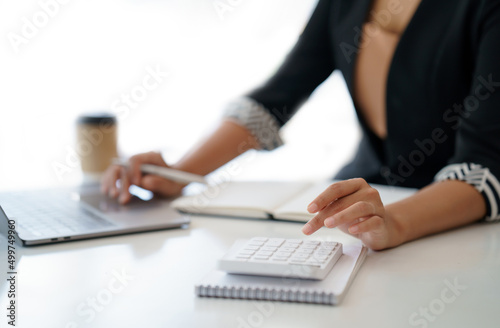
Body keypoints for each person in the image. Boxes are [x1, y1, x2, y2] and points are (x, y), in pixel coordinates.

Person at [101, 0, 500, 250]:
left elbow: (485, 167)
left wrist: (393, 221)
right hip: (364, 197)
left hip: (453, 218)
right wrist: (179, 171)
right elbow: (275, 99)